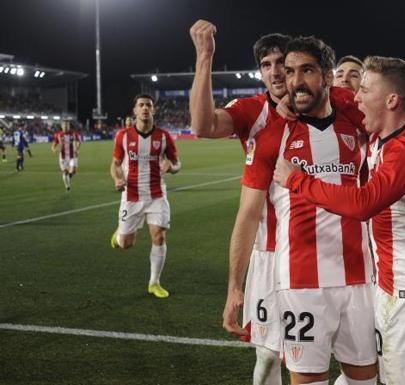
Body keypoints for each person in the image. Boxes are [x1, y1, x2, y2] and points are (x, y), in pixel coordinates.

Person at [190, 20, 361, 385]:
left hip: (331, 252)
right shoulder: (255, 113)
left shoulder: (333, 103)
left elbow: (378, 110)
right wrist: (205, 57)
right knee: (268, 355)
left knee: (352, 363)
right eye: (266, 65)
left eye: (281, 63)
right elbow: (202, 125)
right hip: (270, 253)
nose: (276, 72)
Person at [274, 56, 405, 385]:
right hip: (385, 291)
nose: (356, 96)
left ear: (390, 100)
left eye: (365, 89)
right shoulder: (376, 139)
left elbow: (364, 203)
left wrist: (297, 181)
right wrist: (287, 97)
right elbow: (335, 96)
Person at [224, 36, 378, 385]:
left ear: (327, 76)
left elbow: (394, 124)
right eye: (290, 71)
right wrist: (235, 285)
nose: (294, 80)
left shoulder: (355, 123)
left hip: (359, 278)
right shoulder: (271, 137)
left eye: (306, 70)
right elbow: (248, 216)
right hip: (301, 283)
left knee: (365, 380)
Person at [110, 94, 181, 299]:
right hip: (131, 196)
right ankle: (119, 234)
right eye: (141, 105)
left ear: (154, 110)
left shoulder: (164, 136)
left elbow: (177, 163)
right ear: (135, 110)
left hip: (157, 194)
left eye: (148, 105)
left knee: (159, 235)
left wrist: (171, 166)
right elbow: (115, 164)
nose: (145, 109)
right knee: (126, 244)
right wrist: (116, 179)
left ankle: (154, 282)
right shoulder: (123, 136)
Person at [51, 119, 81, 191]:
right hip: (63, 156)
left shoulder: (73, 134)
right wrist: (54, 149)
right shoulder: (58, 135)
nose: (66, 127)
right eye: (64, 125)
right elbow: (53, 145)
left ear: (69, 126)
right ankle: (67, 187)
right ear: (62, 126)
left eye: (67, 125)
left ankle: (68, 177)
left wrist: (76, 149)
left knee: (73, 171)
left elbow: (78, 142)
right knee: (65, 172)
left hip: (72, 155)